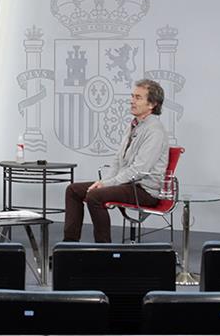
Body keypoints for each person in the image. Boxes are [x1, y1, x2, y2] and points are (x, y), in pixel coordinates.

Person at [63, 79, 170, 243]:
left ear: (152, 104)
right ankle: (68, 246)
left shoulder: (155, 131)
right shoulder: (134, 124)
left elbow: (138, 170)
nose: (132, 101)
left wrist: (107, 185)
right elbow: (118, 161)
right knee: (73, 190)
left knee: (95, 196)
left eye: (138, 97)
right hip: (127, 184)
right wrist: (104, 181)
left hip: (144, 190)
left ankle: (104, 251)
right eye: (132, 96)